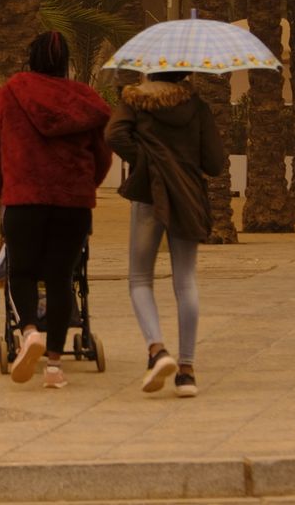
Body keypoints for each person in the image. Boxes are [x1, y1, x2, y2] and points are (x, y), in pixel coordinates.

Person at [0, 32, 113, 388]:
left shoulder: (12, 93)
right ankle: (54, 366)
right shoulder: (85, 100)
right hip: (73, 204)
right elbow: (102, 157)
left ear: (33, 60)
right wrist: (85, 187)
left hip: (24, 200)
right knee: (60, 277)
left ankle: (28, 332)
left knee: (21, 272)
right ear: (64, 62)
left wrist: (5, 190)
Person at [106, 71, 226, 399]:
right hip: (187, 196)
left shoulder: (134, 101)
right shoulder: (196, 106)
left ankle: (157, 351)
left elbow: (114, 134)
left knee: (140, 279)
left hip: (149, 194)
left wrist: (146, 161)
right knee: (185, 281)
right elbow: (215, 163)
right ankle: (186, 372)